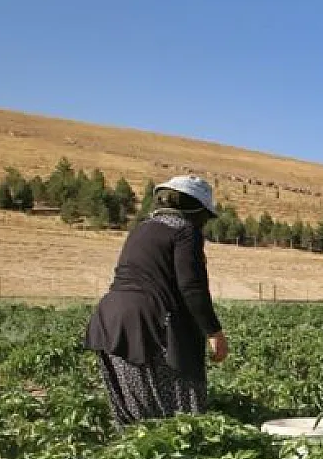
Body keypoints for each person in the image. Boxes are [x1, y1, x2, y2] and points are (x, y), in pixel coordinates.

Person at [83, 175, 229, 427]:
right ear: (194, 208)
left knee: (133, 419)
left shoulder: (142, 228)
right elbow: (191, 287)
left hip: (110, 322)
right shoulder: (185, 231)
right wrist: (214, 332)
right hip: (147, 324)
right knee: (178, 420)